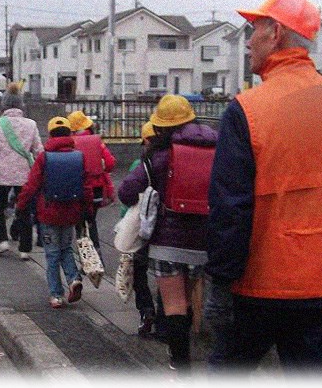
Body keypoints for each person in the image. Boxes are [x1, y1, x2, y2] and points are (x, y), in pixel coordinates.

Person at [205, 0, 322, 373]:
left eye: (254, 29)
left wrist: (220, 281)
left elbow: (230, 208)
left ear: (276, 33)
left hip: (261, 284)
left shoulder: (248, 109)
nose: (248, 42)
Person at [118, 95, 218, 374]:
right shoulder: (217, 151)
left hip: (167, 242)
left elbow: (126, 192)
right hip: (203, 240)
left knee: (174, 305)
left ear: (160, 127)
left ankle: (180, 367)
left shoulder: (158, 157)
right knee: (187, 299)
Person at [15, 117, 85, 309]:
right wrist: (85, 210)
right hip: (71, 212)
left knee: (52, 254)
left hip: (48, 213)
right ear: (69, 134)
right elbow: (85, 186)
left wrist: (21, 204)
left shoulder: (44, 158)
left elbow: (32, 185)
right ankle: (73, 279)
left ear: (50, 134)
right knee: (66, 248)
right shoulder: (78, 157)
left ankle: (56, 295)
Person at [0, 83, 43, 258]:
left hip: (1, 175)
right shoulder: (31, 124)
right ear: (21, 105)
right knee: (25, 211)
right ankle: (25, 249)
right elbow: (39, 151)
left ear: (3, 105)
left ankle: (1, 241)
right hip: (24, 175)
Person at [119, 120, 161, 338]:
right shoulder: (177, 159)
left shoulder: (142, 164)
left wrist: (124, 220)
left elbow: (126, 195)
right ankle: (166, 323)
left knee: (139, 271)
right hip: (169, 228)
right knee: (168, 276)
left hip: (144, 227)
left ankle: (146, 310)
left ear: (145, 142)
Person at [67, 110, 116, 252]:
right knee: (91, 220)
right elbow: (110, 163)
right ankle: (96, 249)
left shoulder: (71, 143)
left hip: (78, 188)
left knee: (79, 223)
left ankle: (87, 255)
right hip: (97, 189)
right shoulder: (96, 142)